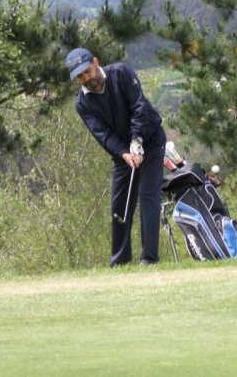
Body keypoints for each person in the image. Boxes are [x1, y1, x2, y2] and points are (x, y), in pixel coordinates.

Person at [65, 48, 166, 266]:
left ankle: (149, 258)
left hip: (150, 139)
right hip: (122, 152)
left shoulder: (122, 73)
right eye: (80, 77)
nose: (86, 79)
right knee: (119, 205)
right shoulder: (82, 103)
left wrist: (136, 140)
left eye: (87, 71)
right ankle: (120, 262)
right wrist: (124, 152)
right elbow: (103, 136)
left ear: (95, 62)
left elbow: (139, 107)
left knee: (147, 194)